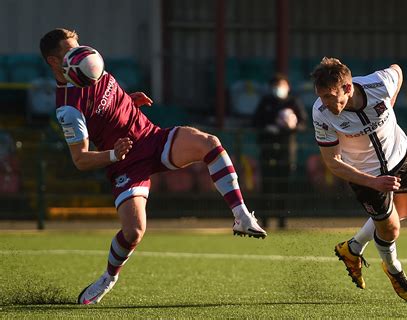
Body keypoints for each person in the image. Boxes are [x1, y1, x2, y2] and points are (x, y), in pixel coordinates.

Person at [39, 28, 267, 305]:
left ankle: (241, 215)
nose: (79, 53)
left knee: (209, 142)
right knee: (134, 232)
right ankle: (109, 277)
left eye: (78, 46)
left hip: (151, 137)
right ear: (53, 61)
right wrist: (113, 155)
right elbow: (80, 159)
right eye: (68, 50)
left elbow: (106, 104)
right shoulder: (68, 107)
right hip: (126, 164)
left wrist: (128, 100)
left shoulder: (91, 64)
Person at [310, 57, 407, 303]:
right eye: (321, 96)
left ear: (348, 88)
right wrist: (373, 182)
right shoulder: (320, 113)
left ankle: (353, 248)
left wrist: (391, 102)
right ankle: (394, 270)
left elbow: (398, 71)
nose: (325, 103)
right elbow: (332, 162)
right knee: (391, 228)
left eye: (330, 96)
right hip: (365, 175)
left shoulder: (379, 84)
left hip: (399, 156)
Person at [252, 73, 307, 226]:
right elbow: (255, 122)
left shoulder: (293, 102)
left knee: (284, 185)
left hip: (286, 150)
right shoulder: (265, 102)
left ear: (287, 87)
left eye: (281, 85)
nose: (278, 89)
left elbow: (303, 123)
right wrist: (268, 128)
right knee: (267, 185)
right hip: (268, 149)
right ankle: (265, 219)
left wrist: (291, 127)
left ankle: (283, 220)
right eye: (275, 86)